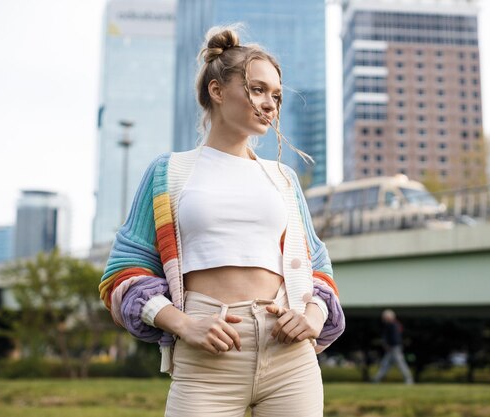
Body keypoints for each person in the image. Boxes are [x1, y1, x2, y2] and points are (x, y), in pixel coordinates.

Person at [98, 26, 345, 416]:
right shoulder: (169, 173)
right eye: (258, 89)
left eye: (276, 95)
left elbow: (318, 267)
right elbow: (123, 274)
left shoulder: (283, 178)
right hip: (206, 358)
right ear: (217, 90)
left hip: (289, 358)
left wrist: (313, 317)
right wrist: (184, 324)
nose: (270, 104)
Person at [372, 309, 414, 384]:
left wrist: (388, 345)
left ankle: (408, 379)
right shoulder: (396, 324)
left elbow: (395, 338)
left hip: (394, 349)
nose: (383, 319)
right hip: (393, 348)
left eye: (384, 317)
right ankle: (376, 379)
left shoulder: (392, 325)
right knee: (385, 364)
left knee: (400, 364)